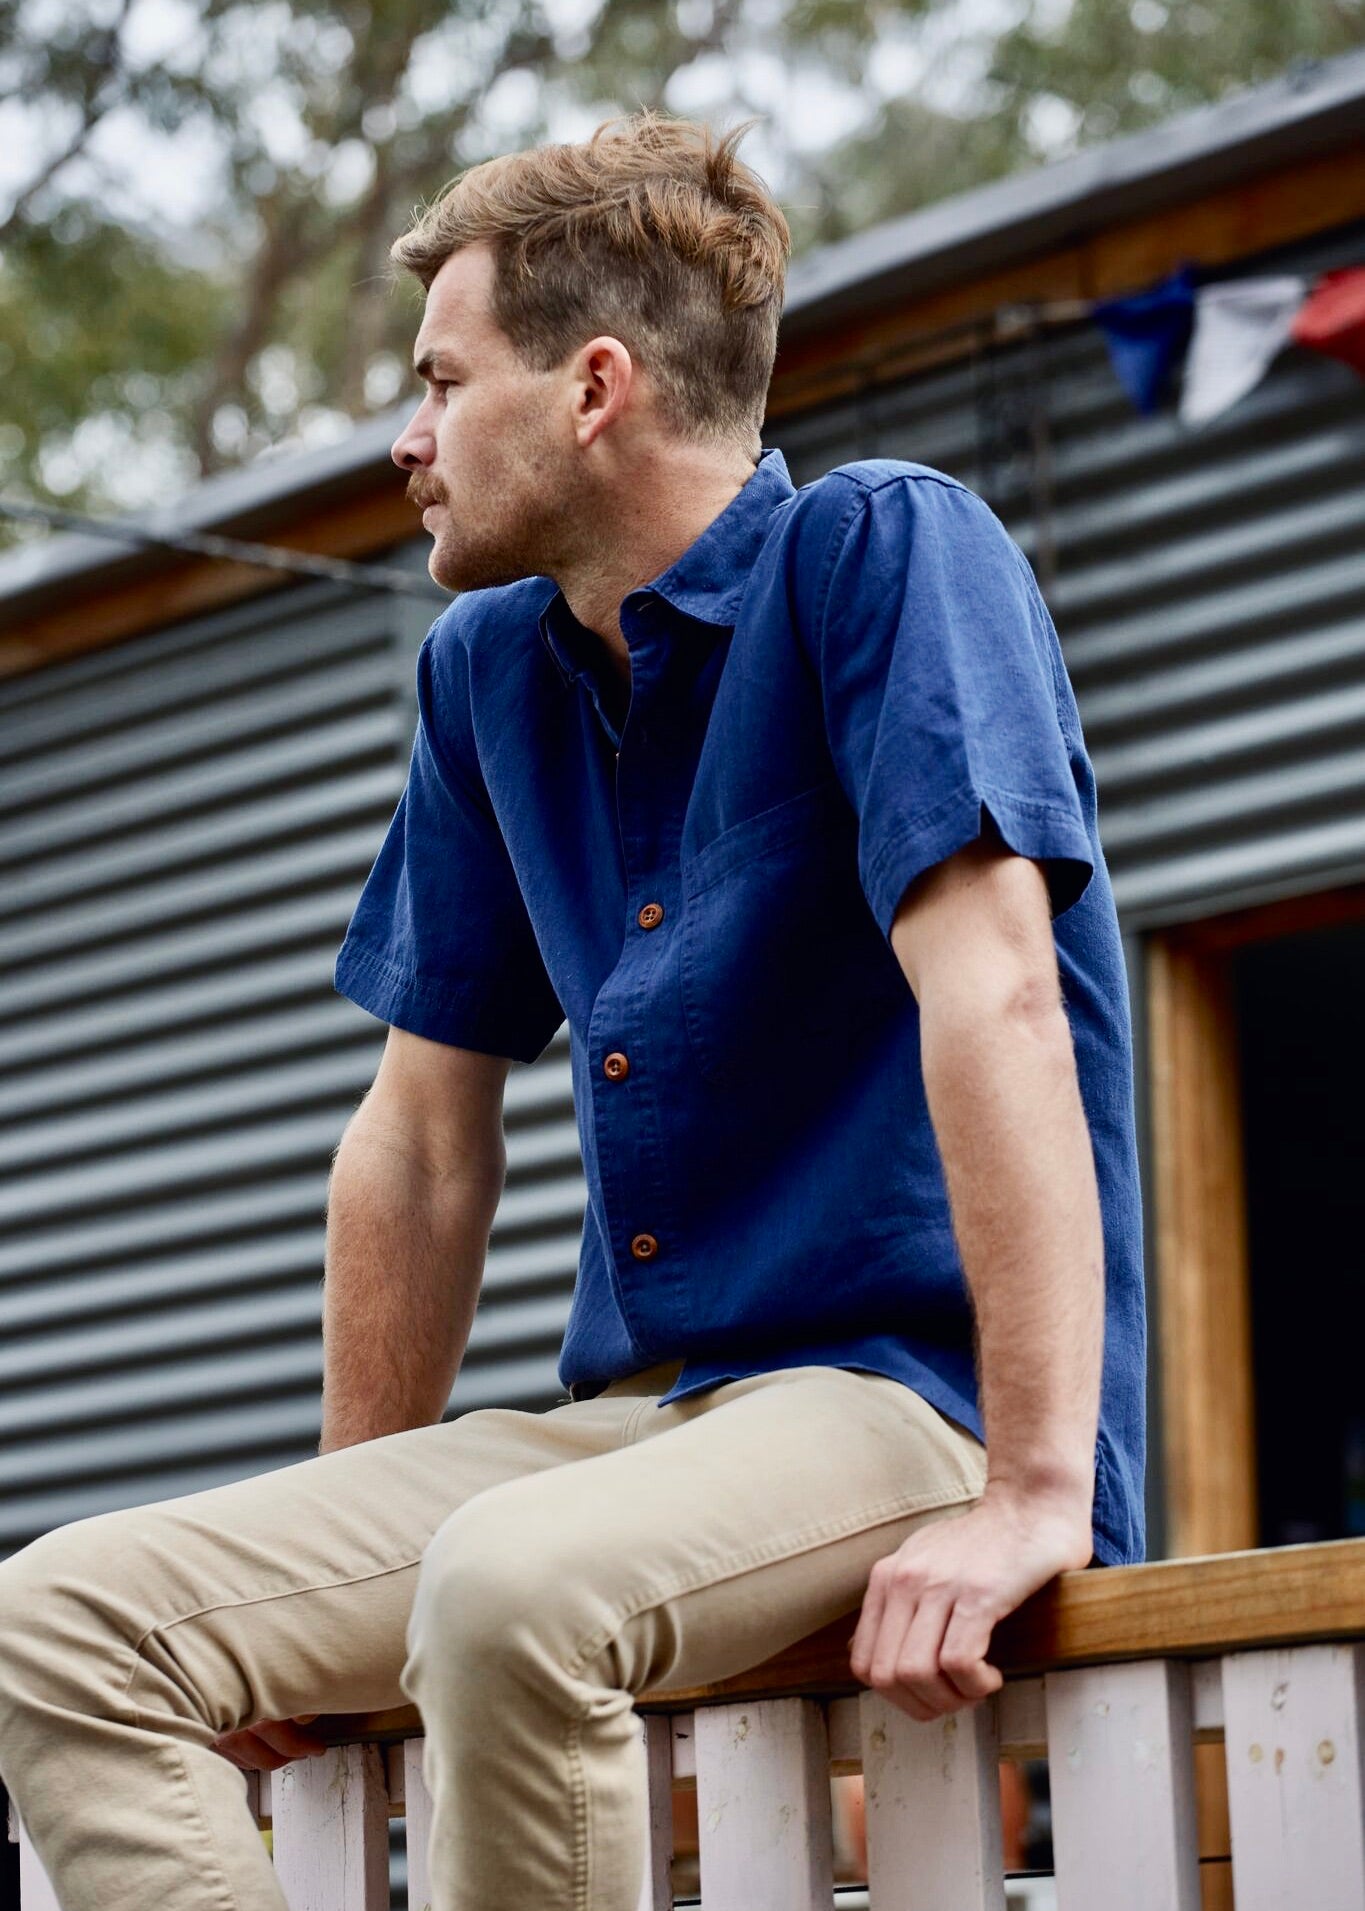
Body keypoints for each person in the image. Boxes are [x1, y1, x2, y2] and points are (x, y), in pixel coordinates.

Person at [0, 109, 1146, 1911]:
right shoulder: (489, 676)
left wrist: (1029, 1487)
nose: (408, 438)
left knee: (510, 1586)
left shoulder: (879, 554)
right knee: (59, 1621)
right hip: (664, 1422)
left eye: (441, 382)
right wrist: (325, 1580)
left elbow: (998, 997)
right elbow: (417, 1139)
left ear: (593, 387)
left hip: (907, 1399)